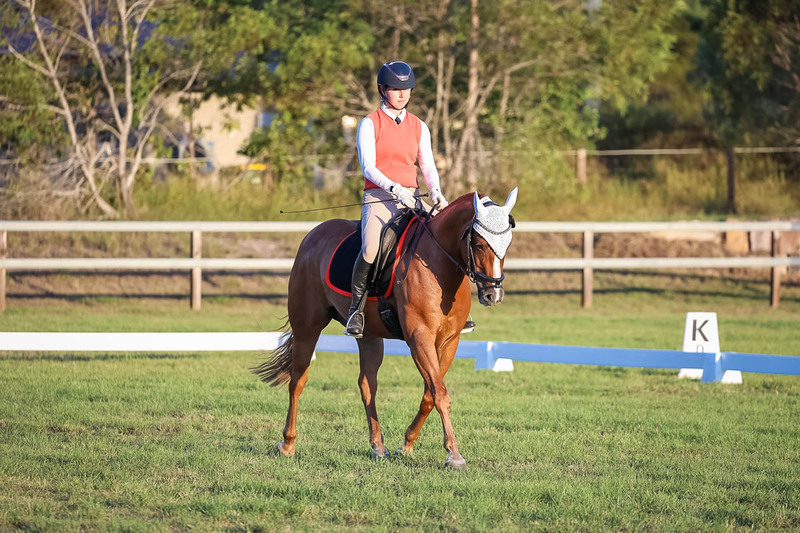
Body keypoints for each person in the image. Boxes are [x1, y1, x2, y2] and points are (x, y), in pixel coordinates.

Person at [345, 60, 449, 337]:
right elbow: (368, 167)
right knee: (369, 249)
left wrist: (435, 191)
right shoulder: (369, 124)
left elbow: (426, 164)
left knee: (443, 238)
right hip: (379, 196)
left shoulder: (418, 126)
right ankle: (356, 309)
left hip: (412, 197)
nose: (402, 95)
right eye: (395, 89)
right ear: (382, 89)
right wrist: (394, 188)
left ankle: (454, 305)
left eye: (407, 89)